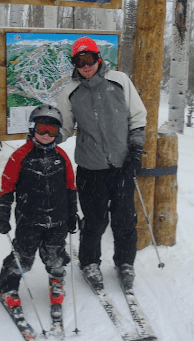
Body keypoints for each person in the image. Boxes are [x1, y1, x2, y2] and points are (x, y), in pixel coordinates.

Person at [56, 36, 147, 290]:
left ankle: (125, 262)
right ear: (74, 63)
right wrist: (47, 140)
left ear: (98, 58)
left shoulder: (119, 81)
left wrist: (136, 150)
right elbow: (64, 127)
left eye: (90, 59)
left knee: (125, 218)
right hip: (90, 167)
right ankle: (89, 263)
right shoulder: (70, 92)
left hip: (122, 165)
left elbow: (137, 117)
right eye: (79, 61)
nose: (86, 65)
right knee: (95, 220)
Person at [0, 104, 79, 309]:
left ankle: (56, 282)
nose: (46, 135)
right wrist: (3, 214)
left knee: (55, 255)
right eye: (42, 129)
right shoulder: (20, 156)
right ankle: (8, 286)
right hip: (29, 219)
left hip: (57, 219)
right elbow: (7, 187)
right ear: (32, 128)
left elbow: (70, 186)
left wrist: (72, 213)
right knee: (22, 255)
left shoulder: (62, 157)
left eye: (52, 131)